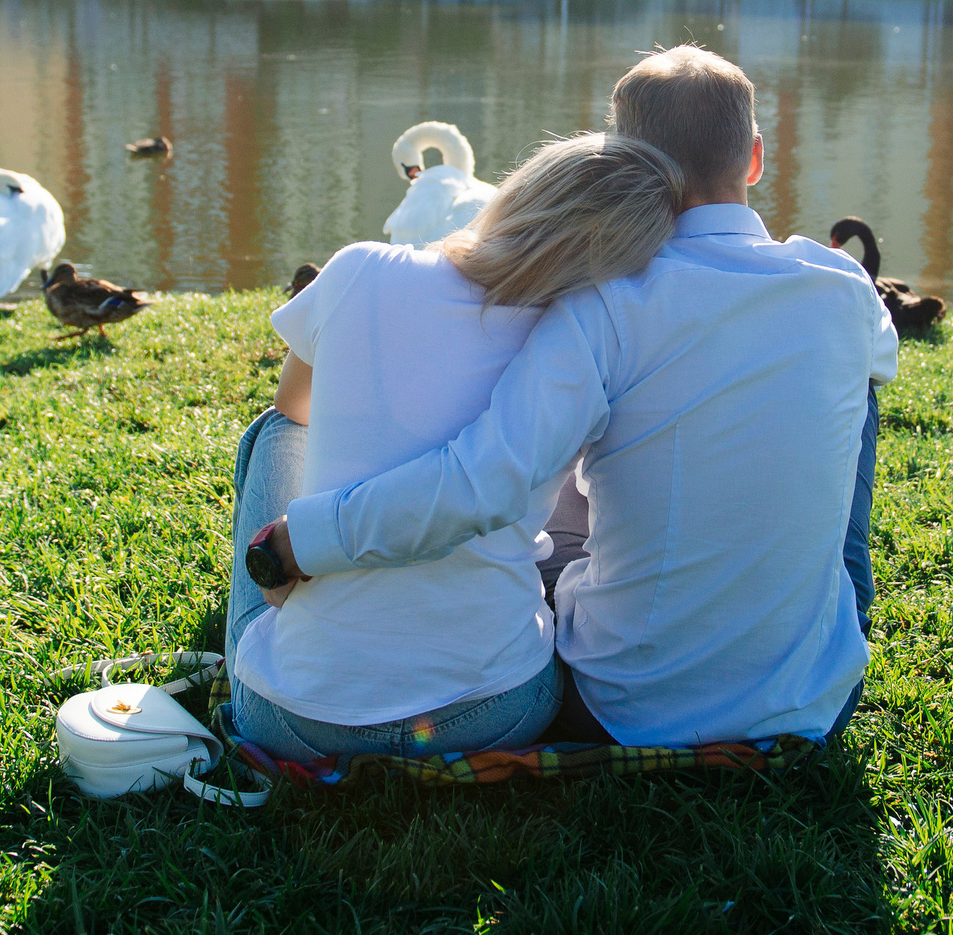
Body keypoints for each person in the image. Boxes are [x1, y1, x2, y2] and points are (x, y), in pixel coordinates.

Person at [260, 46, 896, 746]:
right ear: (754, 159)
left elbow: (481, 482)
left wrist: (306, 538)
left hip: (622, 708)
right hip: (813, 703)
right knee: (859, 387)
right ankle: (825, 626)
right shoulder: (844, 287)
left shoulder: (606, 302)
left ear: (623, 161)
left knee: (553, 463)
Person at [225, 132, 687, 762]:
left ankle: (275, 586)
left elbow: (294, 405)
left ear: (520, 192)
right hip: (495, 712)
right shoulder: (581, 347)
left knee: (275, 433)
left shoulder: (361, 267)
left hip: (297, 719)